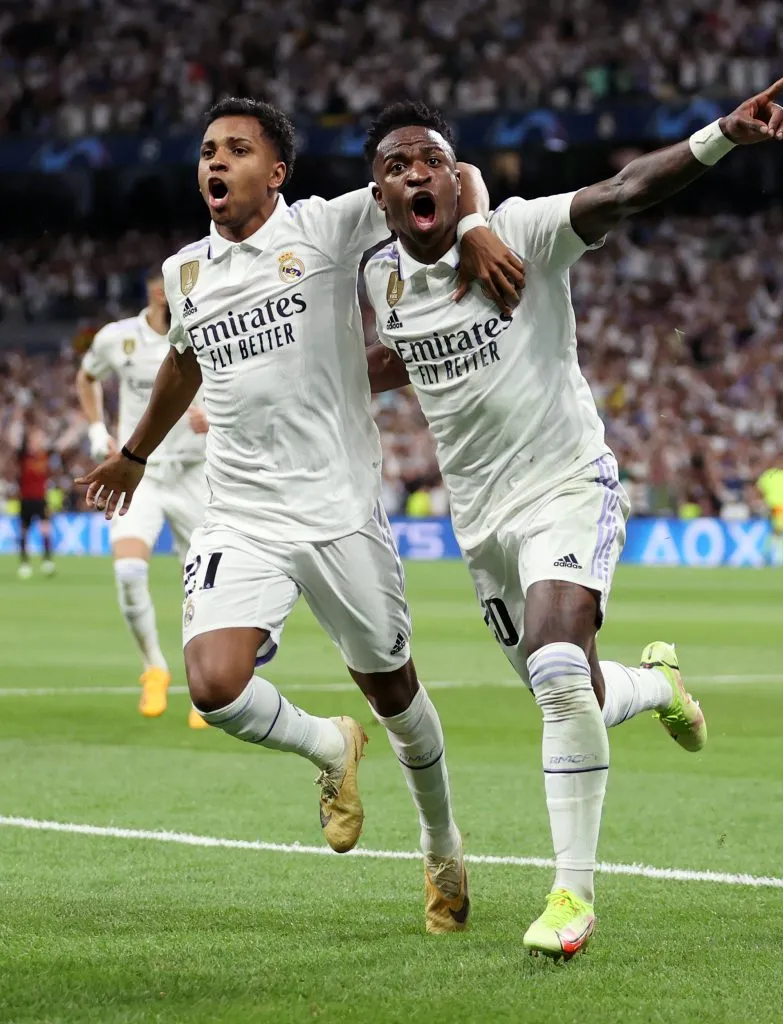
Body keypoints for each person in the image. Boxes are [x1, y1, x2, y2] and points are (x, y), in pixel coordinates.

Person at [363, 77, 783, 958]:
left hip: (567, 481)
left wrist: (719, 135)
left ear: (458, 179)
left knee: (558, 668)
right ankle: (658, 685)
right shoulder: (377, 278)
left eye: (432, 161)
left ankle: (571, 897)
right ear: (377, 194)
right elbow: (389, 360)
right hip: (480, 524)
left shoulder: (520, 229)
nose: (415, 174)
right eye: (395, 165)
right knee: (576, 691)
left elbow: (626, 190)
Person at [76, 97, 523, 933]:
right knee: (212, 685)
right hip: (239, 512)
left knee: (394, 691)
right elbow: (183, 362)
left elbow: (447, 171)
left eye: (237, 150)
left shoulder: (325, 227)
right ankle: (327, 745)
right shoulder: (185, 275)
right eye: (208, 150)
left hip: (338, 511)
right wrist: (134, 455)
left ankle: (441, 844)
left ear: (274, 173)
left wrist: (476, 228)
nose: (216, 162)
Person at [76, 267, 210, 730]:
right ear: (156, 292)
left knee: (204, 587)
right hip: (143, 476)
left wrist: (211, 417)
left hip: (197, 475)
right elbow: (86, 377)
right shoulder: (119, 338)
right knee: (130, 570)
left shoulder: (210, 326)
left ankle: (205, 686)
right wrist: (97, 431)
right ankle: (154, 666)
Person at [15, 426, 55, 579]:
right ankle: (24, 563)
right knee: (24, 531)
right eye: (36, 439)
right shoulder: (23, 456)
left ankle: (47, 561)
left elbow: (62, 445)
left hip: (40, 499)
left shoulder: (45, 456)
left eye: (40, 439)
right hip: (25, 499)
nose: (39, 442)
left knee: (45, 529)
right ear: (30, 441)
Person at [755, 454, 783, 568]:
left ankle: (769, 558)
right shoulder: (771, 474)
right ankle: (777, 559)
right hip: (776, 508)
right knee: (779, 532)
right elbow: (759, 489)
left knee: (778, 532)